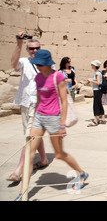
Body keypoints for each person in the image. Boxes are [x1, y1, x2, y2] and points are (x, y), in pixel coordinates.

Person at [16, 49, 88, 200]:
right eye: (37, 64)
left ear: (47, 63)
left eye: (40, 64)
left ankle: (81, 173)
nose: (38, 67)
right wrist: (34, 117)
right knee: (29, 155)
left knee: (59, 154)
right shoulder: (38, 77)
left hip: (54, 118)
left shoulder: (58, 76)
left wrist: (62, 125)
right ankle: (23, 194)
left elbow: (64, 101)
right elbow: (38, 98)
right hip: (39, 117)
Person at [7, 32, 48, 183]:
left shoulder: (47, 63)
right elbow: (13, 64)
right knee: (32, 132)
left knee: (29, 135)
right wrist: (18, 44)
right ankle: (43, 159)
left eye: (37, 48)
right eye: (31, 49)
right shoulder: (24, 61)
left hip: (39, 104)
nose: (34, 51)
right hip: (25, 102)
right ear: (27, 50)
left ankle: (18, 170)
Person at [87, 60, 106, 126]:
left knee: (96, 105)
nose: (91, 66)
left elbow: (98, 82)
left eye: (92, 65)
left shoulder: (97, 73)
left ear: (95, 66)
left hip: (97, 90)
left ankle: (95, 120)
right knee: (99, 103)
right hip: (98, 90)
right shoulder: (98, 72)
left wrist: (91, 81)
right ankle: (103, 118)